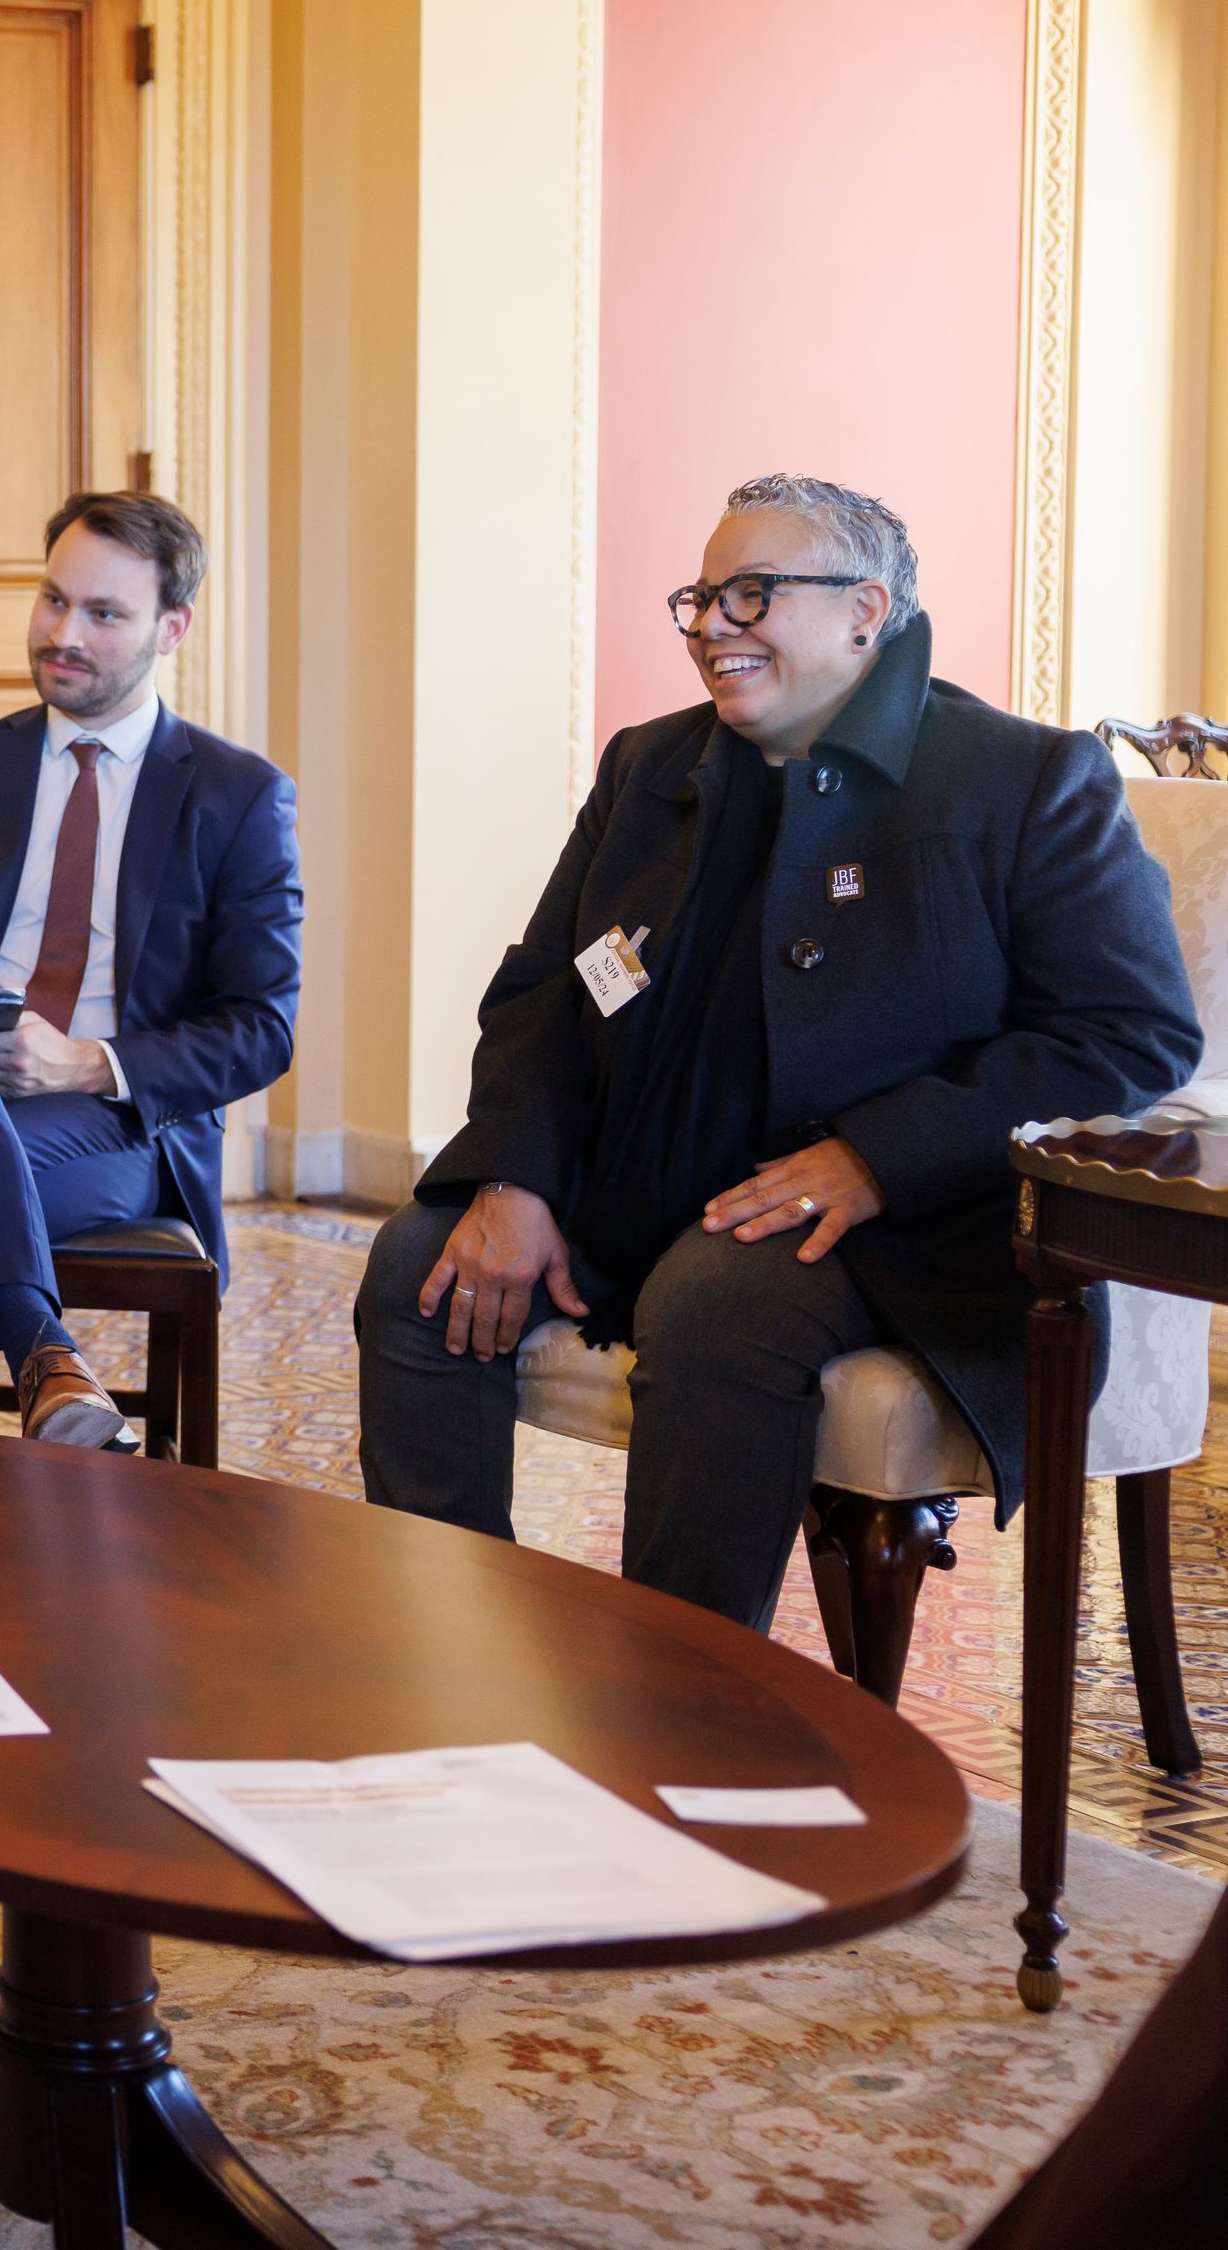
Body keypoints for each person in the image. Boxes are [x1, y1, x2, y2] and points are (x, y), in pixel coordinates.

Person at [355, 474, 1198, 1628]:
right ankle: (442, 1655)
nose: (710, 627)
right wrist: (516, 1173)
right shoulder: (649, 768)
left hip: (911, 1227)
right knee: (418, 1266)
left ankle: (683, 1708)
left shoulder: (1025, 779)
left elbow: (1131, 1031)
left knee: (719, 1295)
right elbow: (550, 986)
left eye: (751, 596)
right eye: (701, 597)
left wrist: (875, 1156)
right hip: (643, 1180)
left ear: (865, 610)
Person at [0, 491, 303, 1441]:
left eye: (103, 614)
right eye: (51, 600)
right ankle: (46, 1351)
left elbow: (261, 1026)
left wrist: (84, 1062)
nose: (61, 633)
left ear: (173, 628)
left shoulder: (239, 797)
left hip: (107, 1128)